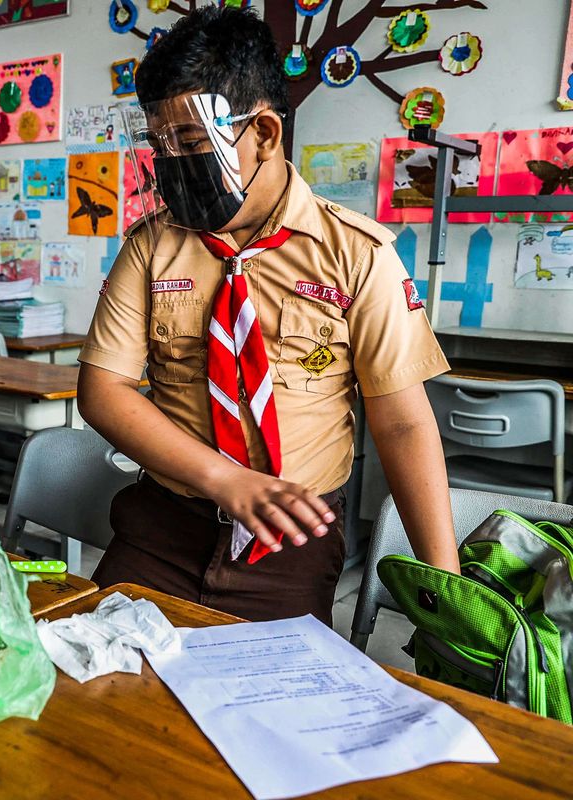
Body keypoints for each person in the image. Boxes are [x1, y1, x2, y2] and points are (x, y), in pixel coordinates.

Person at [78, 6, 459, 626]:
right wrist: (223, 479)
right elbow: (103, 390)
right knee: (99, 691)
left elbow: (403, 426)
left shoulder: (357, 256)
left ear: (264, 133)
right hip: (162, 529)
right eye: (159, 145)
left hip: (291, 546)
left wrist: (446, 593)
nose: (173, 164)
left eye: (194, 144)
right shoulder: (152, 245)